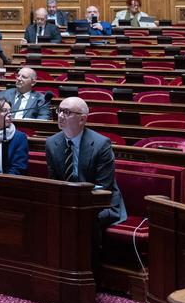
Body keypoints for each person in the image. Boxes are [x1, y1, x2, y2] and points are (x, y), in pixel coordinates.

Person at [45, 97, 127, 229]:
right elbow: (54, 180)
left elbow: (103, 187)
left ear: (82, 119)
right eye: (59, 111)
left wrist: (76, 206)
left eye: (67, 112)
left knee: (81, 220)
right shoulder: (51, 143)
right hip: (68, 201)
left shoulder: (101, 144)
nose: (60, 115)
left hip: (101, 204)